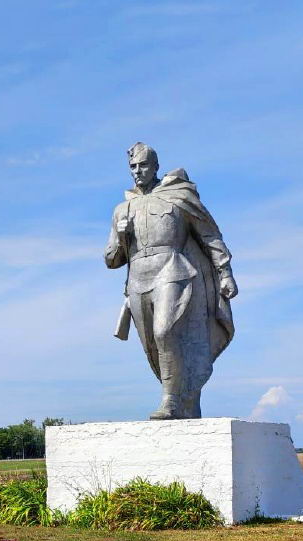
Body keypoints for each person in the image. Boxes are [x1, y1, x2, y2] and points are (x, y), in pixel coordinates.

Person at [105, 142, 237, 419]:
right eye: (133, 167)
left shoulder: (178, 197)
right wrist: (121, 236)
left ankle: (170, 401)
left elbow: (209, 235)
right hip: (138, 278)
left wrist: (225, 273)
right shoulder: (122, 209)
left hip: (172, 268)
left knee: (165, 332)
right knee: (152, 344)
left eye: (143, 165)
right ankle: (183, 397)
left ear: (155, 167)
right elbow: (112, 260)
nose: (137, 171)